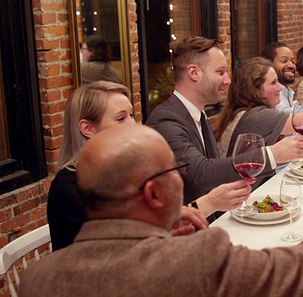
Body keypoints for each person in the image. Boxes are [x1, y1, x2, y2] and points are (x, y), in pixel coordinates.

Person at [20, 124, 303, 297]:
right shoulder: (195, 261)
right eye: (174, 170)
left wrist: (162, 231)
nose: (181, 177)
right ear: (153, 194)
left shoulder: (36, 279)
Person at [48, 82, 250, 250]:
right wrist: (208, 204)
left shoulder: (123, 172)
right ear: (87, 128)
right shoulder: (68, 188)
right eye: (120, 118)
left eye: (131, 115)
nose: (133, 125)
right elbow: (128, 243)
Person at [146, 36, 303, 206]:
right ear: (194, 73)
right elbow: (201, 173)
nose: (228, 80)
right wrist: (271, 155)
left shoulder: (198, 114)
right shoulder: (166, 119)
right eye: (220, 72)